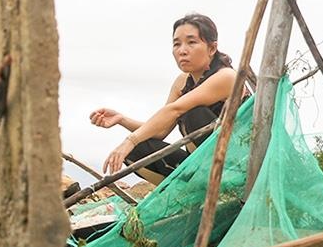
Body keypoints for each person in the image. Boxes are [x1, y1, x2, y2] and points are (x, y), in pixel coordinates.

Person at [91, 13, 240, 181]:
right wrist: (122, 120)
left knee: (192, 112)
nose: (182, 51)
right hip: (199, 166)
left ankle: (221, 188)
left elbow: (175, 109)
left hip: (234, 164)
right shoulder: (182, 82)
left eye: (192, 42)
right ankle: (188, 196)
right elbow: (161, 130)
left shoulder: (226, 77)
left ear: (212, 48)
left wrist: (129, 140)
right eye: (177, 44)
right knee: (137, 149)